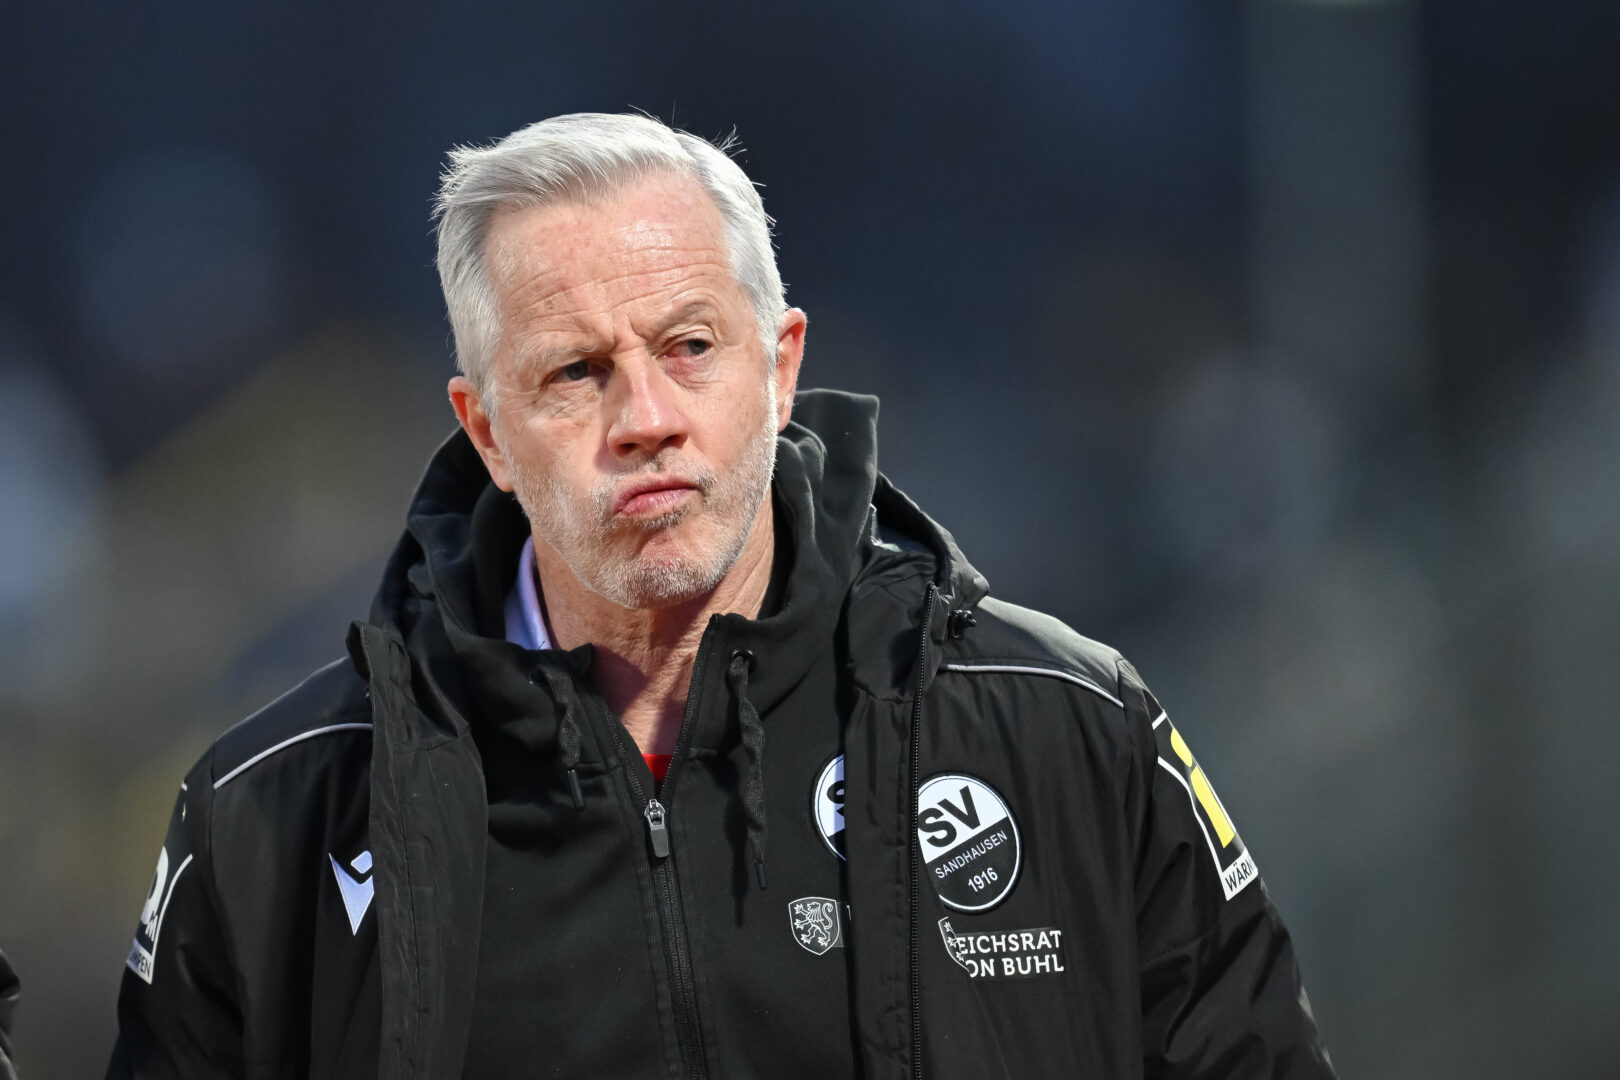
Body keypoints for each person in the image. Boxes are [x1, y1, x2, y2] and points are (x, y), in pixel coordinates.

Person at [106, 112, 1335, 1078]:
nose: (645, 419)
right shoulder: (271, 819)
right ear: (486, 433)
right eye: (575, 373)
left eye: (690, 346)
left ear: (781, 366)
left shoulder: (1066, 724)